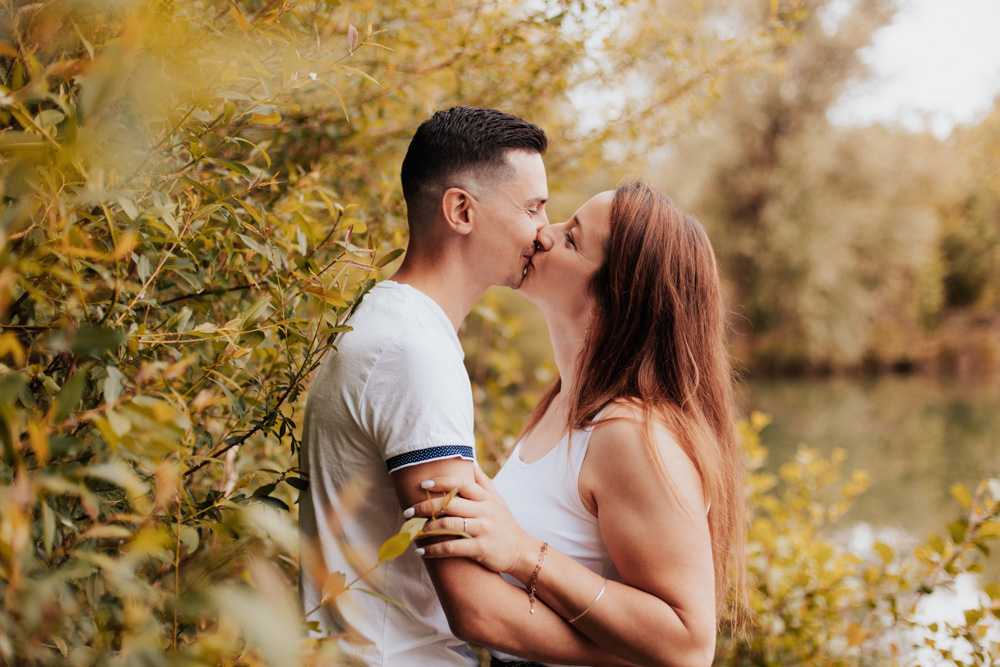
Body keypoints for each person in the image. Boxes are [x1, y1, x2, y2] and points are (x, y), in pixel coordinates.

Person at [298, 107, 635, 666]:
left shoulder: (391, 325)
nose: (542, 232)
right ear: (461, 211)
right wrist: (630, 658)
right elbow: (477, 609)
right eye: (532, 208)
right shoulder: (413, 353)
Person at [406, 182, 749, 667]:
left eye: (571, 239)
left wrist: (524, 554)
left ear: (617, 295)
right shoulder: (563, 405)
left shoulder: (629, 434)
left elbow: (689, 645)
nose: (543, 234)